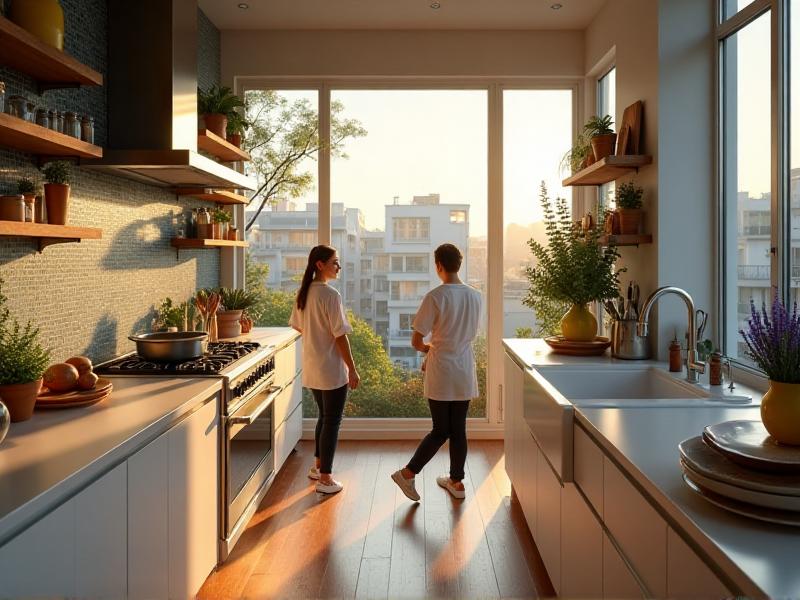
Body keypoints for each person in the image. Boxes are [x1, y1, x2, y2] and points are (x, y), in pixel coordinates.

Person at [391, 243, 482, 501]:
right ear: (459, 264)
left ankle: (408, 474)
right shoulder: (476, 296)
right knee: (459, 429)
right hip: (464, 368)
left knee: (441, 429)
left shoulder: (435, 296)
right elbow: (470, 333)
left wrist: (429, 348)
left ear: (439, 266)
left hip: (441, 368)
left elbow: (416, 341)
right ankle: (456, 481)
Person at [289, 245, 360, 494]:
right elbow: (340, 336)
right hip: (330, 369)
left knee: (324, 417)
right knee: (332, 421)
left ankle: (318, 467)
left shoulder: (305, 293)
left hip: (312, 366)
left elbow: (298, 327)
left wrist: (316, 337)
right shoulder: (331, 295)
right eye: (335, 262)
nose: (338, 266)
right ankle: (326, 479)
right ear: (320, 265)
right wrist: (352, 369)